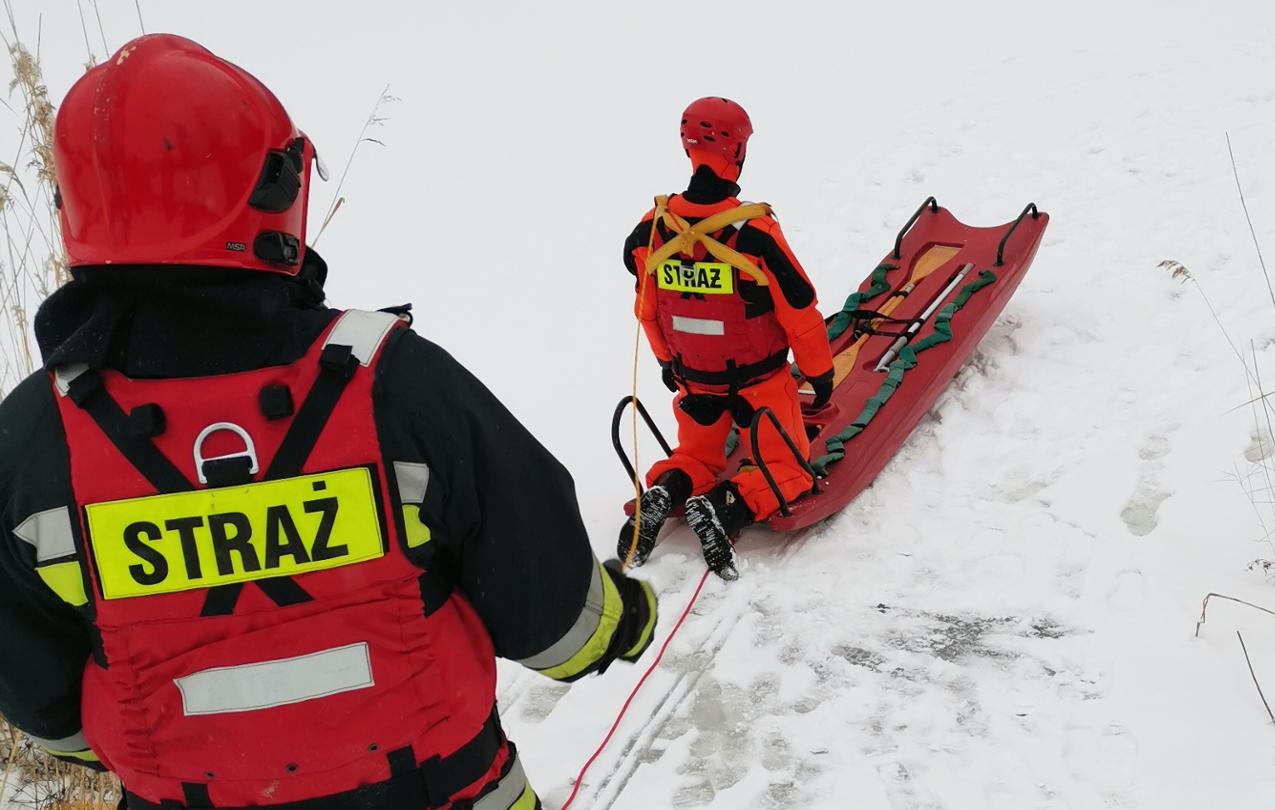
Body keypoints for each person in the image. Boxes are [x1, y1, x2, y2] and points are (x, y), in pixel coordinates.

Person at [0, 34, 658, 810]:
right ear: (270, 190)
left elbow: (41, 703)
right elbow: (552, 612)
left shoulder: (34, 441)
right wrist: (625, 624)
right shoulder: (395, 387)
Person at [619, 97, 834, 581]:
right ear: (736, 150)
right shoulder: (754, 232)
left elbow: (648, 310)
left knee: (697, 454)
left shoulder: (650, 231)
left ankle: (670, 488)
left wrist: (666, 362)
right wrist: (820, 375)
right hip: (759, 384)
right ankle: (727, 505)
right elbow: (801, 314)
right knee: (790, 470)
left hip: (695, 382)